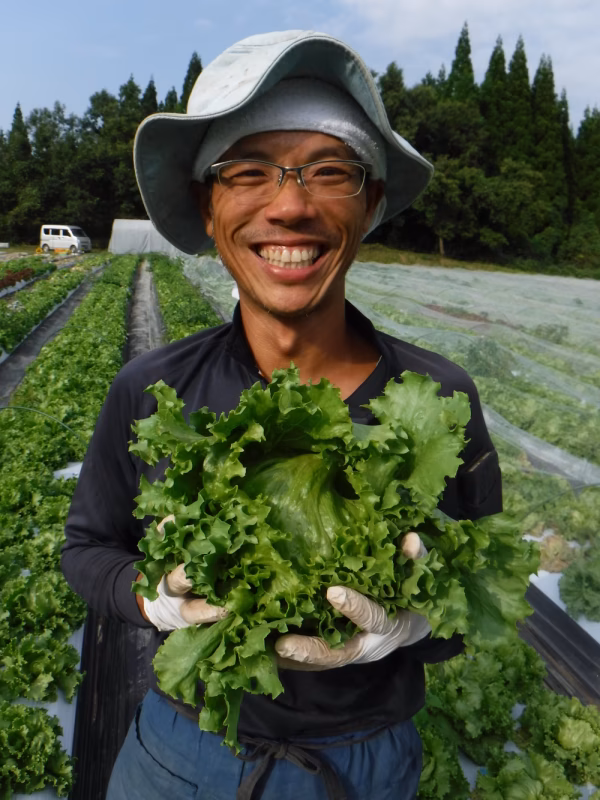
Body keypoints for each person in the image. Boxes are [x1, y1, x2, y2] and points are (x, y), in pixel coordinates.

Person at [62, 30, 502, 800]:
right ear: (207, 206)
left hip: (365, 764)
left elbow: (483, 591)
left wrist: (419, 621)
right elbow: (86, 549)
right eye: (247, 171)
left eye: (331, 170)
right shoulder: (151, 387)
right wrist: (150, 596)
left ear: (370, 202)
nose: (291, 204)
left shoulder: (438, 399)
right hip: (180, 753)